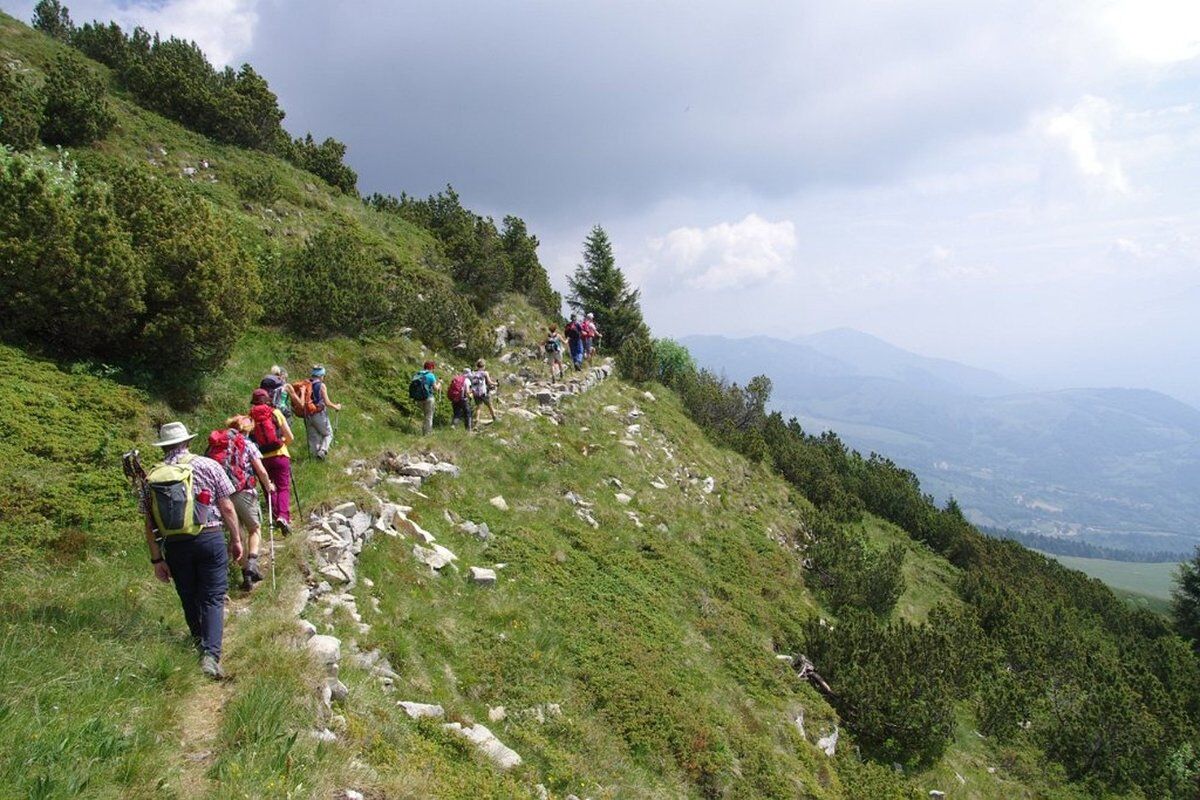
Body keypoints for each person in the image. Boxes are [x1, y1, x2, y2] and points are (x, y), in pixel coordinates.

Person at [142, 421, 243, 680]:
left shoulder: (151, 477)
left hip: (174, 544)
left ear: (164, 446)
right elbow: (228, 506)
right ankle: (210, 655)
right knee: (212, 596)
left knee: (188, 595)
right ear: (187, 442)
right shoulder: (208, 465)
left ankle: (199, 643)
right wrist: (236, 539)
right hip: (209, 537)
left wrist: (156, 559)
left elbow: (149, 523)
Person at [210, 416, 275, 591]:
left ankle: (245, 572)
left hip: (221, 496)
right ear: (248, 429)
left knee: (236, 535)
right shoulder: (247, 444)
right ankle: (252, 564)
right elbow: (260, 470)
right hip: (243, 491)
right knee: (254, 528)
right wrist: (268, 486)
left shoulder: (216, 445)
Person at [249, 388, 295, 535]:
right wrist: (282, 443)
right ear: (267, 399)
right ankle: (283, 516)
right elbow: (290, 436)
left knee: (270, 488)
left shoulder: (249, 417)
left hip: (261, 459)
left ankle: (277, 517)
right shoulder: (274, 413)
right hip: (280, 455)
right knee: (283, 488)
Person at [305, 365, 342, 459]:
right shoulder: (321, 385)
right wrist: (336, 406)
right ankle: (323, 451)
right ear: (321, 375)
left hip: (307, 414)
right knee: (328, 434)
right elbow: (327, 402)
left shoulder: (306, 384)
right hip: (318, 414)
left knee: (313, 438)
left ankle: (314, 459)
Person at [412, 361, 439, 435]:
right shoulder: (431, 375)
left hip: (418, 398)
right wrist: (439, 384)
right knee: (429, 415)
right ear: (431, 368)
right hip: (428, 398)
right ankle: (427, 433)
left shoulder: (418, 374)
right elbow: (435, 388)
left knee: (425, 415)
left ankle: (424, 430)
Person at [469, 358, 496, 426]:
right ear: (483, 366)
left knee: (478, 407)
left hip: (475, 393)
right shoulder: (485, 373)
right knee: (490, 405)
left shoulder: (473, 373)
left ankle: (476, 421)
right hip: (483, 393)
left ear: (477, 366)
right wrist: (496, 384)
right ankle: (495, 418)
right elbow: (489, 382)